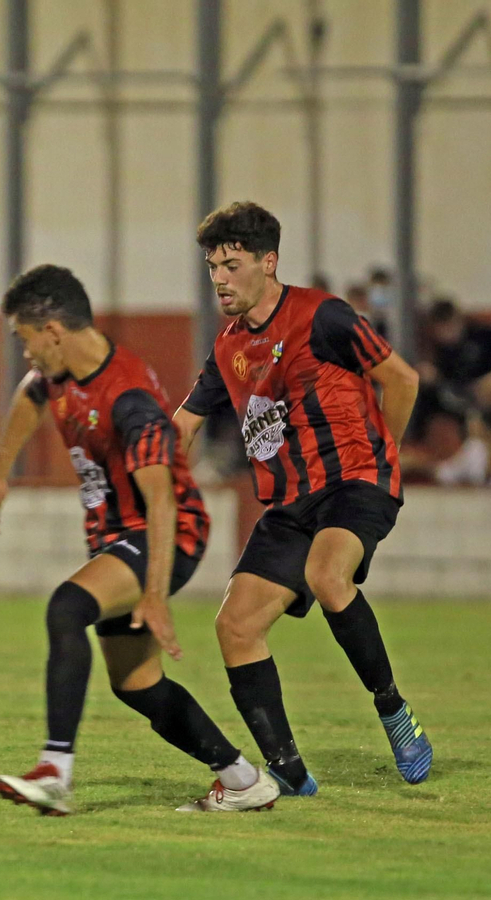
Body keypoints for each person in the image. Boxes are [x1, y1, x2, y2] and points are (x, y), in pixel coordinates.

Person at [0, 265, 276, 815]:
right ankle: (242, 779)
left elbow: (162, 502)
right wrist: (0, 474)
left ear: (53, 330)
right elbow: (30, 394)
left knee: (66, 609)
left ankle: (54, 771)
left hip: (166, 535)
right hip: (120, 538)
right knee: (136, 683)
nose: (24, 353)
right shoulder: (62, 371)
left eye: (24, 339)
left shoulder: (130, 401)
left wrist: (155, 594)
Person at [174, 201, 432, 796]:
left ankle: (393, 711)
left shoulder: (324, 316)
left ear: (269, 263)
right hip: (290, 502)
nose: (219, 278)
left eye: (232, 264)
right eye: (212, 266)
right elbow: (183, 425)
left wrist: (383, 452)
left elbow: (403, 379)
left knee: (327, 573)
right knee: (235, 627)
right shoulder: (227, 349)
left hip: (354, 482)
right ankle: (290, 775)